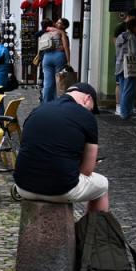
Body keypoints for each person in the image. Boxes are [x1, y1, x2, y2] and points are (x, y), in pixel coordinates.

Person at [14, 82, 108, 213]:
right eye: (91, 109)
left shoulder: (38, 110)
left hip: (23, 186)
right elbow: (86, 171)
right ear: (87, 99)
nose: (90, 112)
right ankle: (93, 232)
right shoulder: (87, 117)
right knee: (102, 184)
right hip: (61, 190)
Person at [115, 18, 136, 120]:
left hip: (119, 66)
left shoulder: (120, 37)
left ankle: (125, 111)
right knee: (129, 91)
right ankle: (126, 113)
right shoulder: (132, 38)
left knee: (123, 90)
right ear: (134, 27)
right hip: (130, 67)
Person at [39, 18, 71, 103]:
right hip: (58, 56)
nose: (57, 23)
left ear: (64, 26)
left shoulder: (48, 32)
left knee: (47, 82)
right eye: (57, 22)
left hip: (46, 57)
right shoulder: (62, 33)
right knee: (59, 81)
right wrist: (68, 60)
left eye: (59, 23)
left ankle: (45, 103)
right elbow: (66, 47)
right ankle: (56, 103)